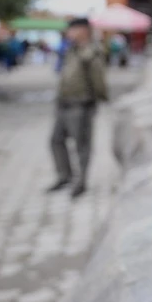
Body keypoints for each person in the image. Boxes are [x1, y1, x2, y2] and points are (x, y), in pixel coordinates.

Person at [46, 17, 109, 198]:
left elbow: (98, 80)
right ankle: (64, 175)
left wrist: (100, 100)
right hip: (64, 102)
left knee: (81, 145)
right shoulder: (72, 49)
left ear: (83, 30)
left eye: (72, 30)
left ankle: (81, 181)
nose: (69, 33)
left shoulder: (92, 52)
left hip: (81, 105)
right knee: (56, 140)